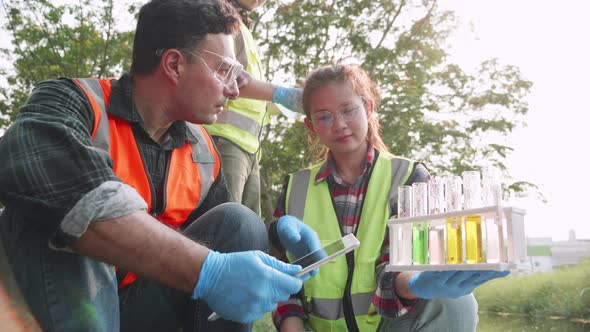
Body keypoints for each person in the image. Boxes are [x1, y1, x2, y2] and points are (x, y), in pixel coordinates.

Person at [0, 1, 321, 331]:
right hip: (50, 304)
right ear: (174, 64)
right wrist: (206, 271)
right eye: (224, 70)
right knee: (68, 219)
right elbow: (34, 172)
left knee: (241, 222)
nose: (235, 89)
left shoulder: (201, 150)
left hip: (135, 305)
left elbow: (226, 239)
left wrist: (275, 241)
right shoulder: (74, 103)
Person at [268, 64, 510, 332]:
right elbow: (281, 276)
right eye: (324, 117)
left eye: (348, 110)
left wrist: (413, 284)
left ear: (368, 108)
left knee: (455, 303)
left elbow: (397, 263)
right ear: (310, 125)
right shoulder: (295, 187)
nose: (339, 124)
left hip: (389, 325)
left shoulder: (409, 177)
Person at [203, 0, 303, 216]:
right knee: (226, 225)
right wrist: (282, 94)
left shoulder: (243, 27)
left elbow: (250, 97)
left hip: (248, 148)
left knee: (250, 230)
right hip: (222, 140)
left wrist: (284, 106)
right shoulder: (218, 16)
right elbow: (231, 79)